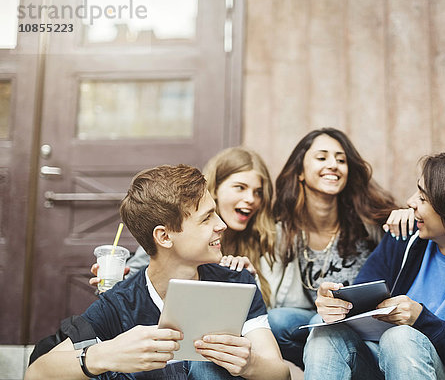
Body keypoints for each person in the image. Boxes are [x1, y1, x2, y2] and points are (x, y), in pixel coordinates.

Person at [25, 164, 290, 380]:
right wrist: (105, 354)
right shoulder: (121, 303)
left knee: (207, 369)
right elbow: (36, 373)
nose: (221, 225)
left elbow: (280, 373)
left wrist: (250, 364)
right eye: (206, 218)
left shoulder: (237, 282)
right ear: (164, 237)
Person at [303, 150, 445, 380]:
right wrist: (337, 304)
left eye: (423, 197)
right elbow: (362, 301)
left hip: (439, 370)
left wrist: (422, 320)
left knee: (400, 337)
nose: (410, 202)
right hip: (381, 363)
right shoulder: (405, 237)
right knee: (324, 329)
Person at [266, 128, 399, 369]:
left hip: (370, 326)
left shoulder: (369, 223)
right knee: (277, 320)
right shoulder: (285, 232)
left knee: (323, 321)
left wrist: (404, 216)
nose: (333, 165)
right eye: (322, 157)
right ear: (300, 173)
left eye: (341, 160)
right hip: (318, 318)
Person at [90, 147, 278, 307]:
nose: (251, 199)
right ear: (216, 188)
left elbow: (264, 313)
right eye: (240, 187)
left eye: (258, 192)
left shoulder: (265, 236)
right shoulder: (175, 229)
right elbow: (138, 281)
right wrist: (118, 282)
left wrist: (250, 281)